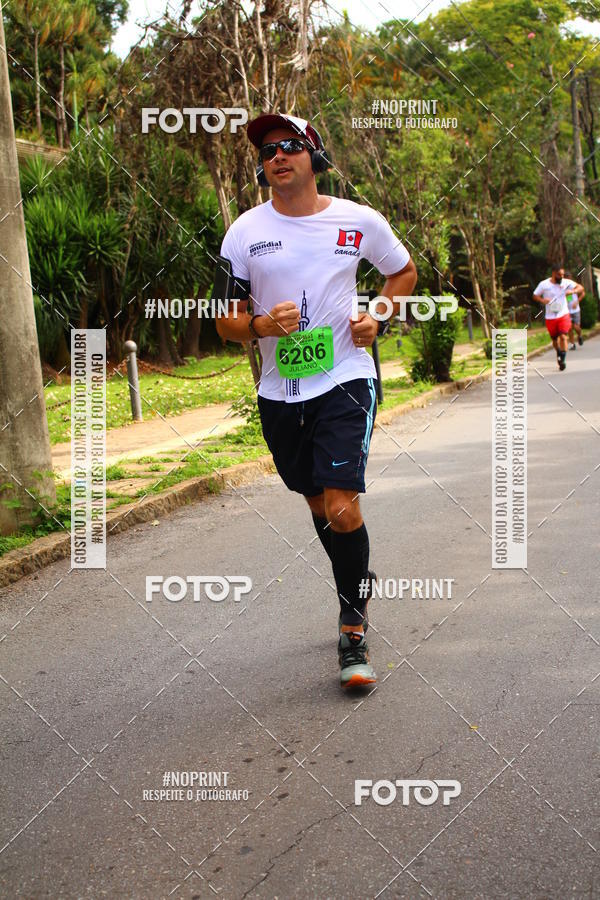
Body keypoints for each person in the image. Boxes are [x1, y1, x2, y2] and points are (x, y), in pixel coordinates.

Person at [215, 113, 417, 689]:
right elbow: (226, 321)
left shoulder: (357, 220)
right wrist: (259, 325)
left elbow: (401, 273)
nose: (277, 155)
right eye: (268, 150)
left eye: (290, 146)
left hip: (346, 377)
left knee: (340, 506)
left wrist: (377, 315)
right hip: (281, 390)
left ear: (314, 155)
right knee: (317, 507)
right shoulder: (244, 232)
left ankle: (352, 631)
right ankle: (355, 579)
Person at [533, 265, 583, 371]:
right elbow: (535, 295)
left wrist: (573, 292)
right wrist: (542, 300)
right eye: (559, 275)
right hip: (550, 317)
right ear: (553, 273)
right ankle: (559, 352)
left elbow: (580, 288)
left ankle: (563, 360)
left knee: (563, 337)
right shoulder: (544, 284)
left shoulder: (566, 282)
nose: (561, 276)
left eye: (562, 274)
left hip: (563, 314)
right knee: (555, 340)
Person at [565, 271, 585, 350]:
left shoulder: (574, 285)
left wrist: (577, 302)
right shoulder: (562, 287)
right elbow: (567, 298)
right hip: (567, 311)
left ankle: (580, 335)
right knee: (569, 328)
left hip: (575, 310)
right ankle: (572, 344)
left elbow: (583, 293)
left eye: (568, 277)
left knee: (576, 326)